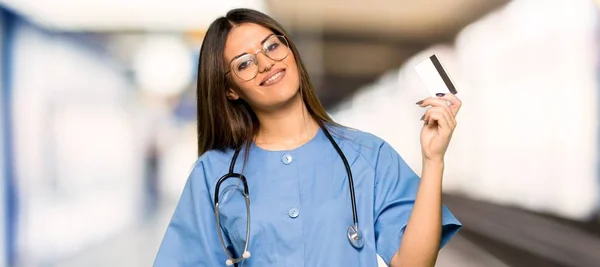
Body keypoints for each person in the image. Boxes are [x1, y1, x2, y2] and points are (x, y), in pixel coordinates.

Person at [154, 8, 462, 267]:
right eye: (244, 64)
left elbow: (413, 263)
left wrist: (433, 160)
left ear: (290, 51)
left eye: (272, 46)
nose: (266, 64)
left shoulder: (368, 155)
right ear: (230, 90)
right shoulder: (215, 174)